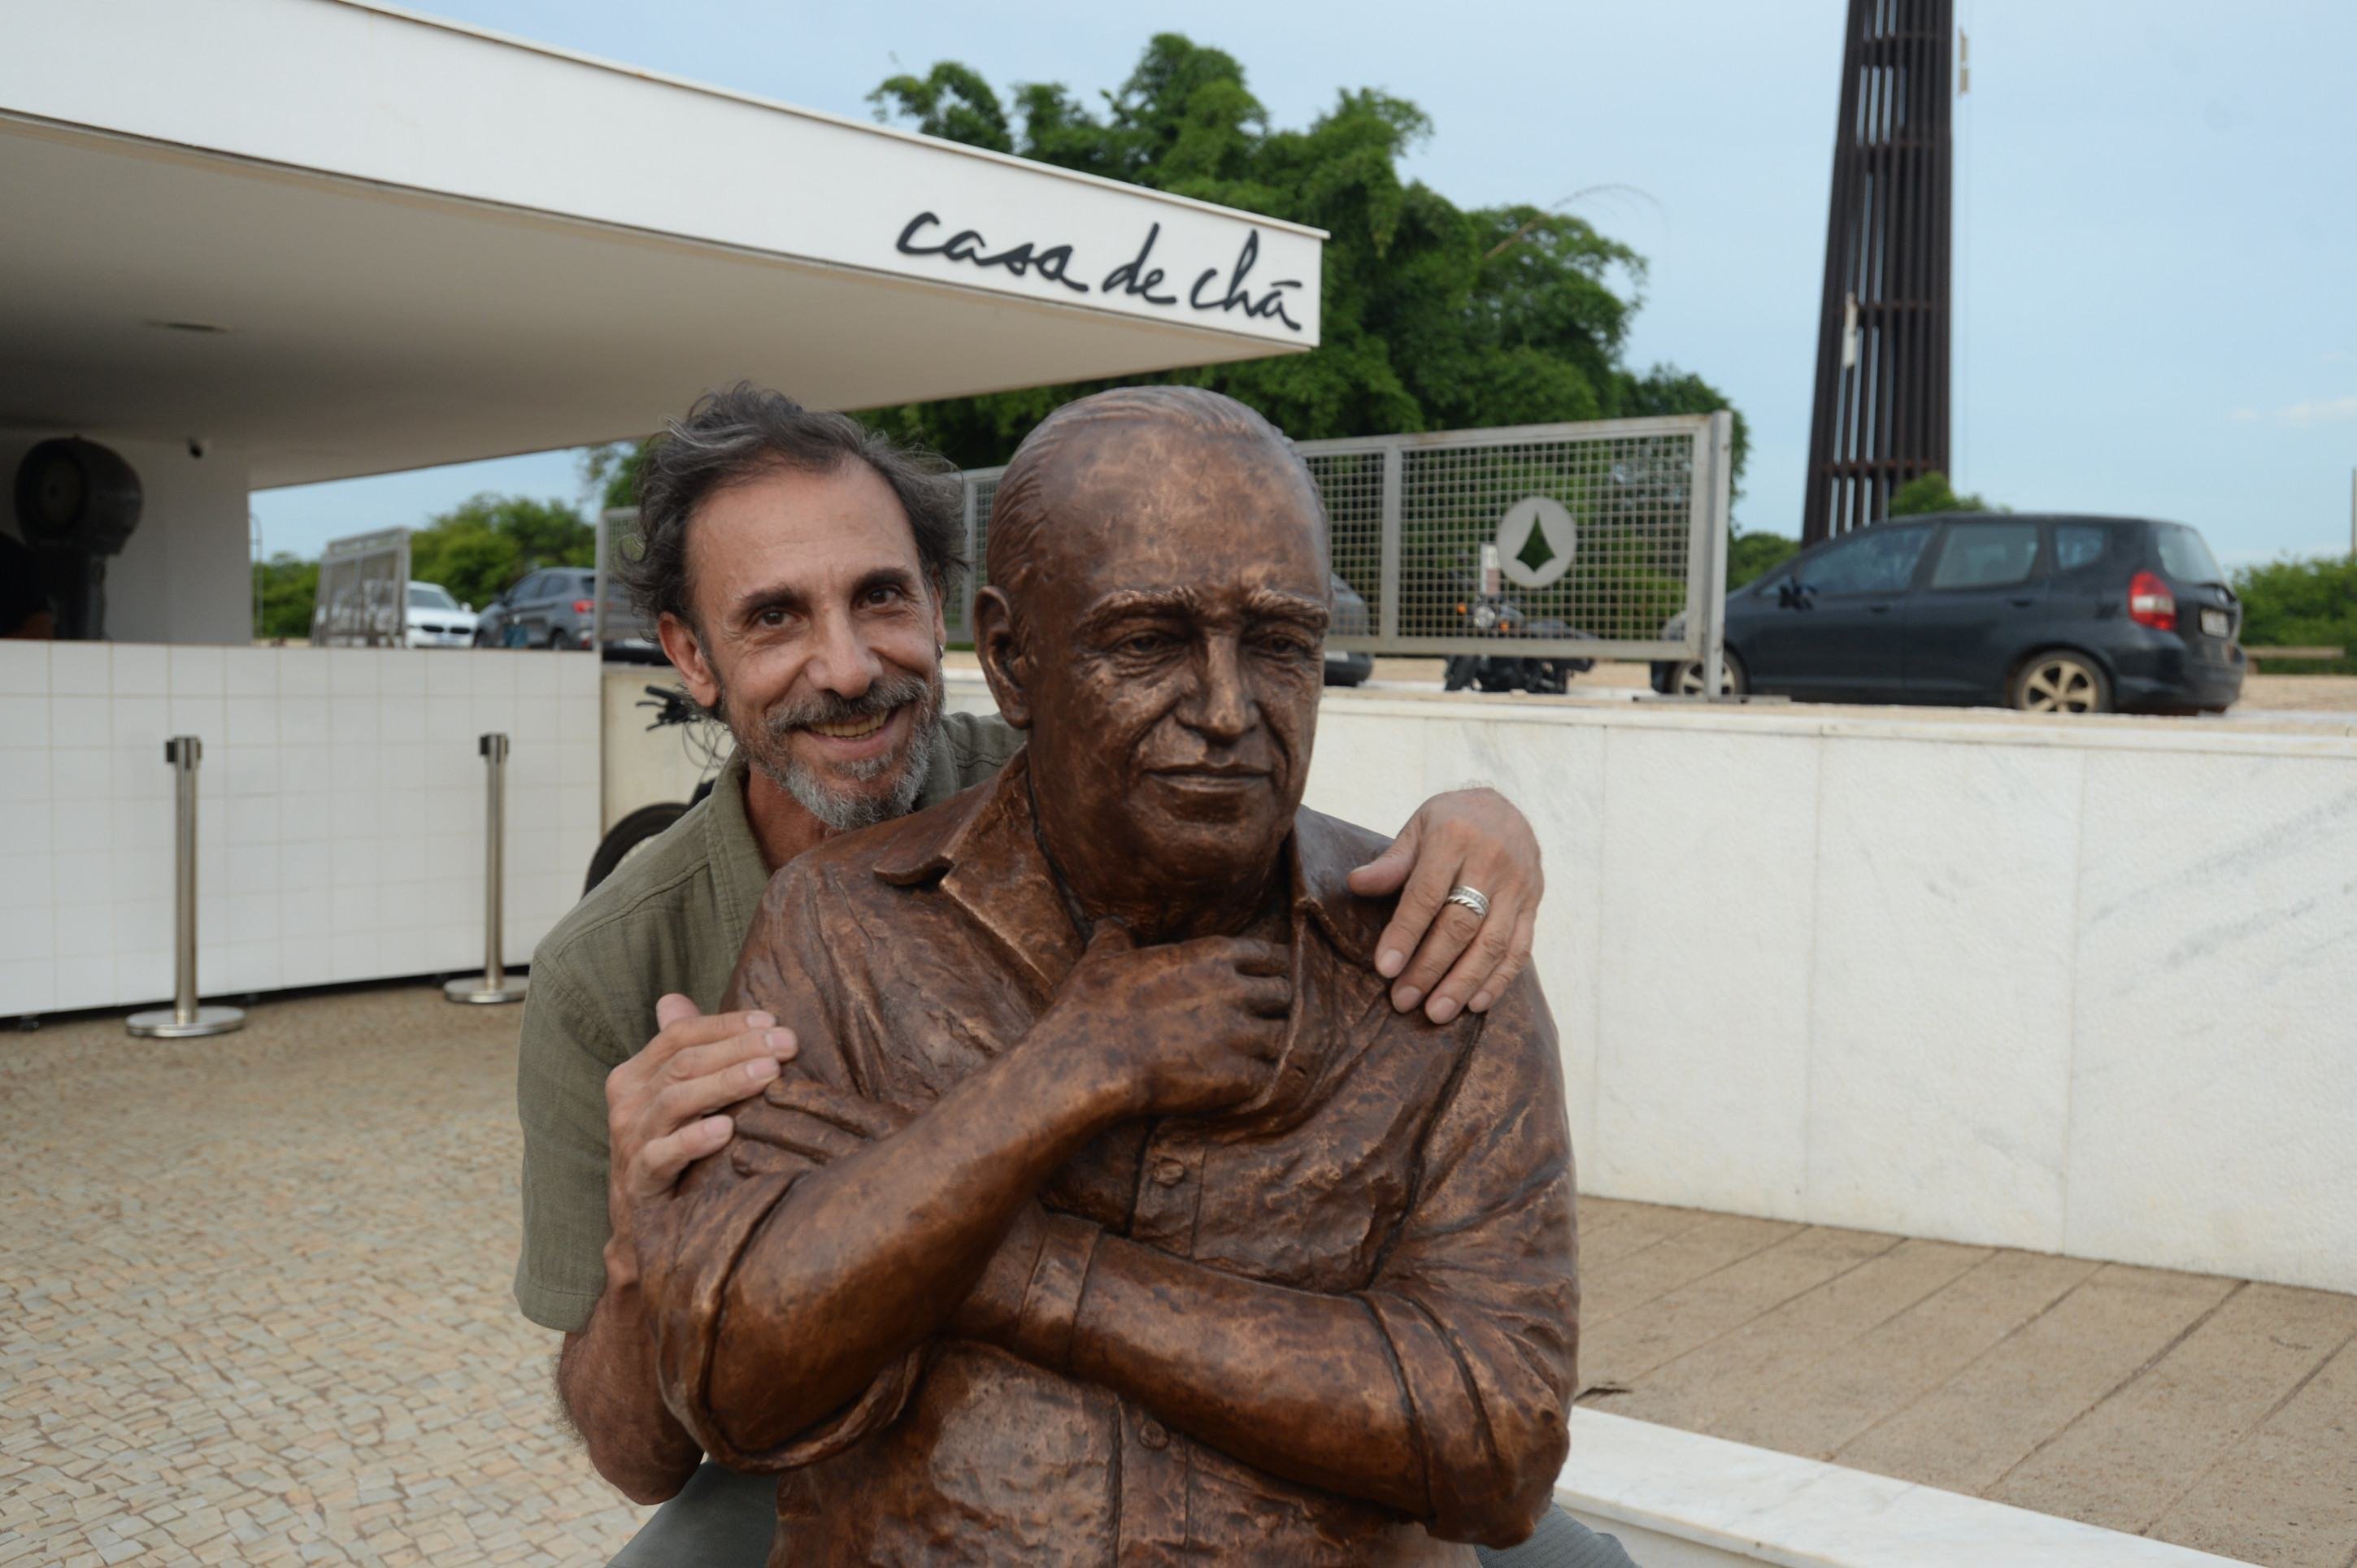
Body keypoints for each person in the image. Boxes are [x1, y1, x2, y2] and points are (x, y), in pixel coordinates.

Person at [512, 386, 1554, 1548]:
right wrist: (640, 1239)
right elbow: (659, 1442)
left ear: (958, 624)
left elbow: (1504, 1436)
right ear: (691, 657)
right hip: (840, 1458)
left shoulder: (1104, 763)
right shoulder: (632, 964)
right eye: (774, 618)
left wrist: (1488, 823)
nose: (846, 668)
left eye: (880, 598)